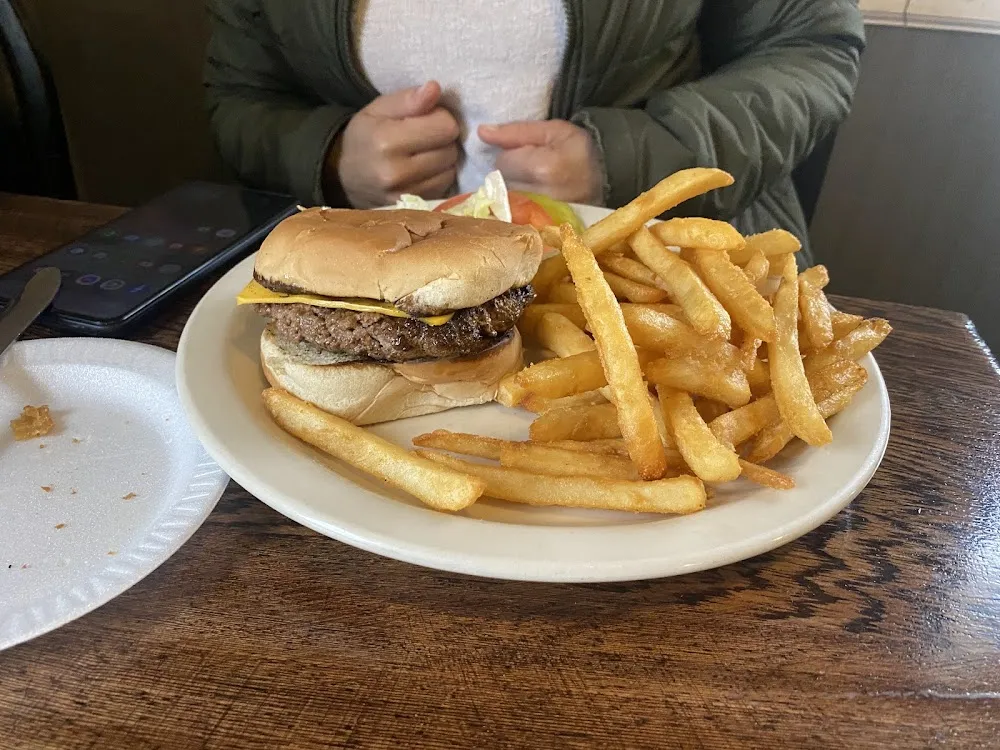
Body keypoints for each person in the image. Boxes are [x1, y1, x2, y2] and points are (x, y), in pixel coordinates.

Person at [204, 1, 864, 260]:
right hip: (374, 285)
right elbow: (241, 96)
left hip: (666, 279)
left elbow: (810, 45)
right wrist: (330, 156)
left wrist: (630, 162)